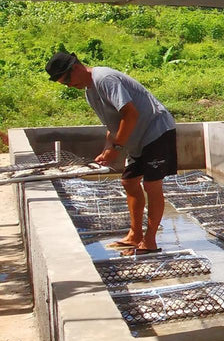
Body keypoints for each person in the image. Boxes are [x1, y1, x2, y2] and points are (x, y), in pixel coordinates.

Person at [45, 51, 176, 255]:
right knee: (129, 182)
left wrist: (116, 149)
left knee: (151, 185)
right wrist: (108, 148)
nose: (69, 86)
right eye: (64, 84)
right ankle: (135, 235)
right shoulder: (90, 92)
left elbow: (130, 114)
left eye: (68, 80)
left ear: (77, 67)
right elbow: (113, 125)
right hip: (138, 137)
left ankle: (149, 241)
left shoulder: (105, 79)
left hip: (156, 131)